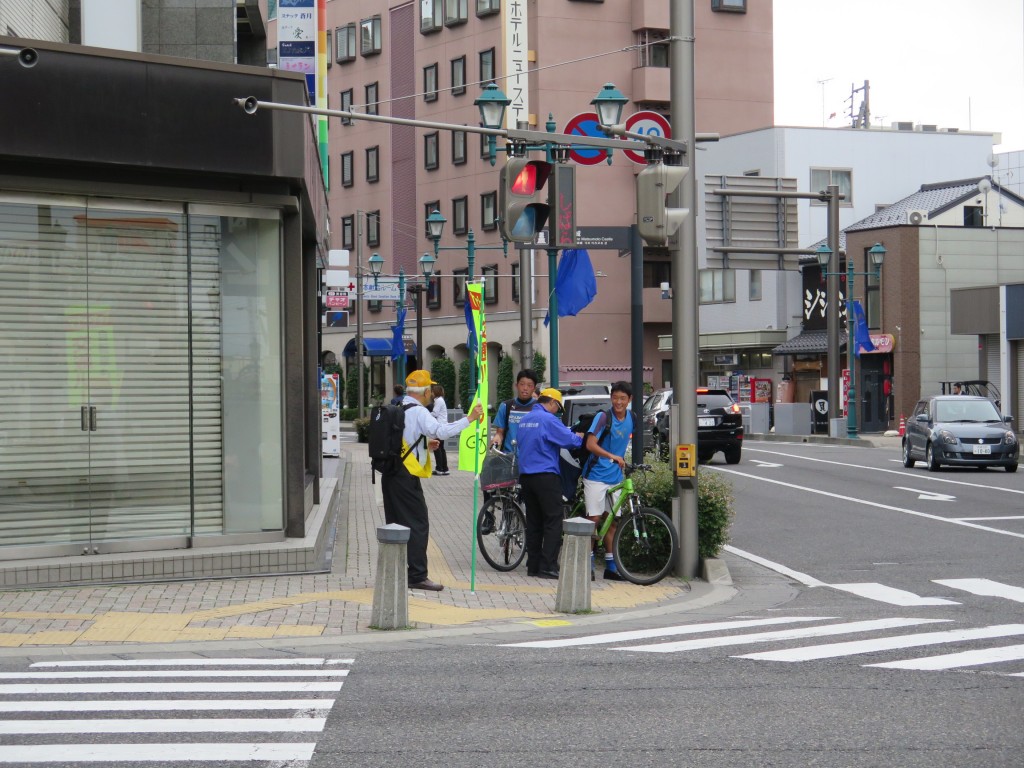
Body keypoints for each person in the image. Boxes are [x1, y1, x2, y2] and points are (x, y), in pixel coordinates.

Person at [378, 370, 483, 591]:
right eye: (430, 391)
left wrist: (425, 445)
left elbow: (404, 439)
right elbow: (441, 431)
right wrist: (470, 419)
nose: (432, 395)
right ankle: (417, 575)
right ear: (426, 391)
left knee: (396, 522)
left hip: (390, 473)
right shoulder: (418, 411)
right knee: (418, 524)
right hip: (406, 476)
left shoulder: (398, 407)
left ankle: (396, 571)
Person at [516, 388, 583, 579]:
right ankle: (548, 566)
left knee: (534, 521)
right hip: (546, 475)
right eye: (558, 408)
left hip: (526, 477)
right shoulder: (548, 420)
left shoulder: (524, 420)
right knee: (553, 521)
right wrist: (579, 436)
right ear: (553, 403)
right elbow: (571, 441)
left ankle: (533, 566)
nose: (557, 412)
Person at [581, 381, 634, 581]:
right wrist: (612, 456)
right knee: (594, 520)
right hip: (595, 475)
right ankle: (588, 563)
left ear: (630, 400)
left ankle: (611, 568)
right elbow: (590, 444)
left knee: (612, 522)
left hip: (615, 477)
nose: (618, 402)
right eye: (615, 397)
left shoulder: (632, 418)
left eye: (623, 398)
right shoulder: (604, 417)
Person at [490, 369, 539, 452]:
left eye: (529, 385)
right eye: (522, 384)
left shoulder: (539, 407)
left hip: (531, 459)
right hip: (509, 457)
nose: (525, 388)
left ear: (534, 388)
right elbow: (499, 433)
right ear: (516, 385)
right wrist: (497, 438)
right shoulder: (506, 406)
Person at [430, 383, 450, 476]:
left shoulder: (438, 401)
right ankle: (445, 468)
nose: (431, 393)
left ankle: (439, 468)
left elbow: (435, 413)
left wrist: (425, 415)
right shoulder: (441, 400)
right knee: (441, 448)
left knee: (436, 447)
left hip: (439, 427)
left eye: (432, 391)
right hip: (443, 426)